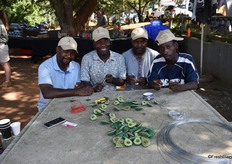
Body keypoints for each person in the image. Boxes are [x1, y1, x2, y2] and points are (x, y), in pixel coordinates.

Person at [37, 37, 94, 111]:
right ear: (57, 49)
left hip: (68, 106)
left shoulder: (76, 66)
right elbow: (47, 92)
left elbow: (77, 86)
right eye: (66, 52)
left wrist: (85, 88)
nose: (69, 56)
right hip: (48, 108)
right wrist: (76, 91)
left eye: (72, 53)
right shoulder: (45, 66)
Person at [81, 27, 126, 92]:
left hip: (113, 97)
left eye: (105, 41)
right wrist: (93, 88)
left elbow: (122, 82)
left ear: (110, 41)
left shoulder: (119, 58)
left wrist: (113, 80)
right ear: (94, 43)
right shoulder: (87, 58)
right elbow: (84, 81)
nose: (103, 44)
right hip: (92, 97)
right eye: (99, 42)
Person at [0, 10, 11, 87]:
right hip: (2, 45)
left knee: (4, 64)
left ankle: (7, 81)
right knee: (4, 63)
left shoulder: (0, 24)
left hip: (1, 46)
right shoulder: (2, 23)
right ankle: (7, 80)